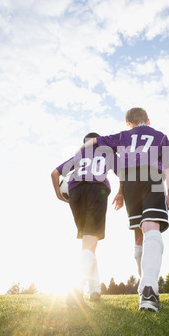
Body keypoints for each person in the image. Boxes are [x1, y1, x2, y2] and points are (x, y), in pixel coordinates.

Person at [82, 108, 169, 312]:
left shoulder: (123, 135)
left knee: (138, 234)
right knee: (152, 229)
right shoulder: (160, 136)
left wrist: (81, 154)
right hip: (152, 176)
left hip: (129, 181)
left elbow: (94, 143)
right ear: (148, 120)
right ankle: (148, 289)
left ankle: (144, 286)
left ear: (129, 123)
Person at [51, 132, 117, 309]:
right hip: (96, 191)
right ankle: (75, 292)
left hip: (75, 194)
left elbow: (55, 173)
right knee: (90, 244)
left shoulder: (78, 156)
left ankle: (94, 289)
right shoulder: (107, 152)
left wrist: (59, 195)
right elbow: (124, 172)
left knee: (88, 245)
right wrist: (122, 193)